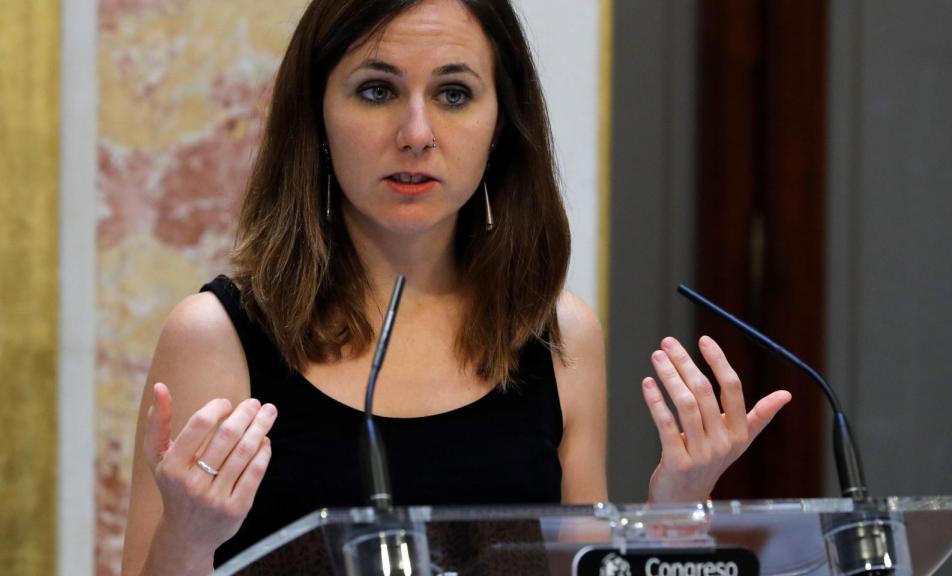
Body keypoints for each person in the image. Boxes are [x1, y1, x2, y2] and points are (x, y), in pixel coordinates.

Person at [120, 1, 792, 574]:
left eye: (453, 94)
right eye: (377, 91)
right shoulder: (215, 336)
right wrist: (189, 536)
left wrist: (678, 505)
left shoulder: (558, 333)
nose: (416, 134)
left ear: (501, 124)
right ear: (316, 116)